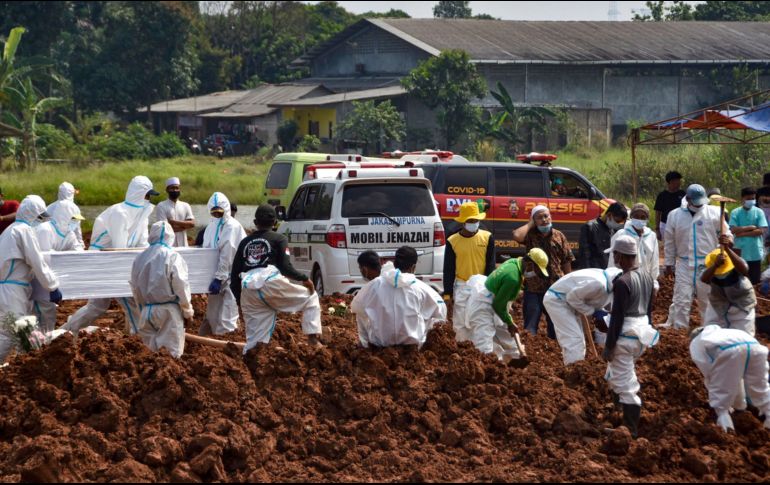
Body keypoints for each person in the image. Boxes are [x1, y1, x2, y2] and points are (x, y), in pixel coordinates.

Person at [63, 176, 159, 334]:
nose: (149, 200)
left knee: (97, 306)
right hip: (103, 262)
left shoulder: (141, 216)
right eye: (147, 196)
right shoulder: (120, 214)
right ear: (139, 195)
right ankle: (141, 340)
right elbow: (119, 249)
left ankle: (65, 332)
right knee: (129, 299)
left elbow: (143, 244)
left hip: (117, 262)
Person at [233, 205, 320, 351]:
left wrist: (239, 301)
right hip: (270, 283)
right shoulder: (279, 239)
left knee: (255, 341)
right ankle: (312, 339)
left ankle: (252, 364)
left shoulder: (244, 242)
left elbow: (234, 275)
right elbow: (285, 267)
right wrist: (305, 278)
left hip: (248, 290)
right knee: (311, 298)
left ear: (255, 222)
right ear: (275, 223)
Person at [603, 235, 659, 439]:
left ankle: (629, 429)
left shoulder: (623, 282)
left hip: (625, 336)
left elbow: (617, 317)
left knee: (626, 384)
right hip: (641, 332)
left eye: (616, 254)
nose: (615, 258)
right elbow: (650, 309)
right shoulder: (646, 276)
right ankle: (617, 414)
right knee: (615, 374)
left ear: (621, 255)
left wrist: (609, 346)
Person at [0, 195, 61, 361]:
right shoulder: (23, 230)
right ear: (31, 214)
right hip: (12, 291)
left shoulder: (10, 230)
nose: (40, 221)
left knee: (12, 332)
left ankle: (25, 367)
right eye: (39, 217)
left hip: (7, 289)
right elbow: (36, 261)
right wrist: (52, 286)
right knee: (17, 332)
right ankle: (30, 368)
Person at [663, 184, 731, 330]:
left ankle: (708, 330)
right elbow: (669, 242)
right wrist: (669, 264)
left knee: (707, 299)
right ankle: (679, 332)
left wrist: (727, 240)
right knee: (682, 299)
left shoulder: (714, 213)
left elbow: (728, 235)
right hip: (684, 263)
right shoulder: (675, 215)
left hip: (707, 264)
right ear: (688, 199)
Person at [462, 248, 549, 361]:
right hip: (483, 304)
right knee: (484, 343)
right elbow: (498, 305)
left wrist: (508, 320)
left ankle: (515, 359)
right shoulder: (513, 278)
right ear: (530, 264)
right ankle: (487, 368)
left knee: (507, 335)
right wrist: (509, 322)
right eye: (536, 270)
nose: (535, 274)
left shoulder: (515, 262)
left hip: (492, 299)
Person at [352, 246, 446, 348]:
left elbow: (356, 307)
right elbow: (440, 311)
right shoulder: (421, 288)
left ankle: (365, 345)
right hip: (413, 350)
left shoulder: (373, 286)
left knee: (362, 313)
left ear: (394, 263)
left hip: (379, 348)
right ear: (413, 267)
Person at [130, 221, 194, 358]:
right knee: (171, 357)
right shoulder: (172, 256)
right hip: (168, 311)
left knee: (148, 357)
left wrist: (141, 309)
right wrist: (187, 311)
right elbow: (180, 285)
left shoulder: (140, 257)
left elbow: (134, 286)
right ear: (170, 236)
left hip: (146, 311)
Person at [689, 325, 770, 432]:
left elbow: (709, 371)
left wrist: (714, 387)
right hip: (756, 348)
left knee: (720, 391)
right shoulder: (725, 332)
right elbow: (737, 377)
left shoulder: (697, 342)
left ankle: (726, 426)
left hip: (729, 351)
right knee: (760, 386)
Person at [513, 205, 575, 338]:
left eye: (546, 216)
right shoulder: (530, 235)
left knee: (555, 327)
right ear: (534, 221)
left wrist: (569, 283)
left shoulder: (559, 236)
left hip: (555, 288)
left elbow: (566, 260)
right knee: (530, 328)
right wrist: (530, 223)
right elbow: (517, 235)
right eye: (540, 217)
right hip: (534, 288)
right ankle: (529, 353)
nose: (545, 219)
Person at [543, 266, 623, 366]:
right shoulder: (599, 284)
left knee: (579, 340)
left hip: (571, 302)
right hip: (557, 299)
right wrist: (593, 312)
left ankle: (575, 367)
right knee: (573, 339)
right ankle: (573, 373)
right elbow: (572, 298)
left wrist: (598, 312)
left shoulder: (610, 285)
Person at [443, 201, 495, 342]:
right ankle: (462, 347)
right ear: (463, 222)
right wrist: (447, 294)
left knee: (480, 319)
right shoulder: (453, 241)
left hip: (482, 286)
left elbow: (490, 265)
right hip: (462, 285)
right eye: (470, 220)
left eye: (476, 220)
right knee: (460, 322)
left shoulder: (487, 237)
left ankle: (481, 350)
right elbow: (448, 269)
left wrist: (490, 288)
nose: (474, 223)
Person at [33, 200, 85, 331]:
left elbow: (78, 251)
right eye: (73, 219)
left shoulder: (68, 233)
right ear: (64, 216)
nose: (75, 223)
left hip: (50, 281)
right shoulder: (45, 230)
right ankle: (36, 348)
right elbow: (43, 260)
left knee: (48, 315)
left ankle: (42, 345)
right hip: (39, 280)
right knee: (41, 315)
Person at [200, 192, 246, 335]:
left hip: (232, 276)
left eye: (219, 212)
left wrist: (220, 277)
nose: (217, 215)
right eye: (214, 213)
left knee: (228, 314)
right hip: (216, 276)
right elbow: (207, 251)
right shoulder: (211, 226)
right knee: (213, 313)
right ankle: (212, 346)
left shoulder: (232, 226)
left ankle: (228, 344)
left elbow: (227, 253)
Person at [701, 243, 756, 336]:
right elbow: (703, 278)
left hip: (741, 304)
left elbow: (744, 269)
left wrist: (726, 248)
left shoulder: (737, 265)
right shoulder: (709, 270)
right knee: (710, 334)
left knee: (743, 338)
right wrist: (715, 265)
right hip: (718, 303)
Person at [608, 203, 660, 294]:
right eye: (636, 216)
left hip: (645, 283)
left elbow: (654, 263)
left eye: (643, 217)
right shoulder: (621, 234)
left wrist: (653, 282)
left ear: (647, 219)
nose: (639, 219)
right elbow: (612, 263)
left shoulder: (651, 236)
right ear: (631, 217)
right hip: (625, 284)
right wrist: (613, 282)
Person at [729, 187, 767, 284]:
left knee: (754, 281)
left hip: (755, 252)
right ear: (742, 198)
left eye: (753, 198)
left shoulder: (759, 212)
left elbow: (761, 230)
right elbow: (733, 229)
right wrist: (750, 227)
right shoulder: (735, 212)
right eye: (748, 199)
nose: (751, 201)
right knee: (739, 281)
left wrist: (742, 233)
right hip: (740, 252)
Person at [577, 202, 628, 269]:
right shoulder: (589, 227)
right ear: (609, 215)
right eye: (617, 221)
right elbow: (584, 257)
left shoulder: (612, 230)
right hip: (594, 273)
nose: (618, 224)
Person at [152, 177, 195, 247]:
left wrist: (173, 222)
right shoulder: (161, 205)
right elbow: (164, 228)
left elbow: (192, 224)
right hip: (168, 245)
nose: (175, 190)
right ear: (167, 190)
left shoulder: (185, 205)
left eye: (176, 188)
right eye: (172, 188)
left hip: (183, 245)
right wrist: (184, 227)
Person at [353, 250, 382, 347]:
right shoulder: (390, 280)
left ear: (365, 269)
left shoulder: (369, 288)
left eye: (360, 269)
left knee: (360, 312)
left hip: (380, 341)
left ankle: (365, 344)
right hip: (404, 337)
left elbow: (355, 307)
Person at [46, 182, 84, 247]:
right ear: (71, 194)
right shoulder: (75, 208)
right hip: (68, 243)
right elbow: (76, 228)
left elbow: (41, 224)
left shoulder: (49, 207)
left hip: (50, 242)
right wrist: (81, 244)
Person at [654, 171, 685, 241]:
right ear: (670, 182)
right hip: (665, 225)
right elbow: (658, 213)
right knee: (668, 247)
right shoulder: (662, 196)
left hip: (680, 225)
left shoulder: (683, 194)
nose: (679, 183)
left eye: (679, 181)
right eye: (677, 181)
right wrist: (657, 229)